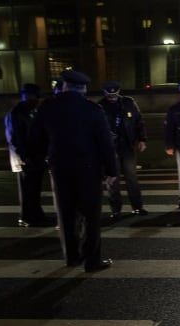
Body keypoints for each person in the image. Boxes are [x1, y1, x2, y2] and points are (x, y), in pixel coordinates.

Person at [29, 69, 117, 272]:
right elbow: (105, 143)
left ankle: (71, 256)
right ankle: (92, 260)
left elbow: (36, 139)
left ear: (65, 86)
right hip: (89, 169)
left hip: (60, 169)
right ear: (83, 88)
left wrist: (39, 161)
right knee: (91, 216)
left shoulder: (48, 107)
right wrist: (111, 171)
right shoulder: (92, 109)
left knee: (66, 214)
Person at [98, 81, 148, 218]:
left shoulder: (128, 103)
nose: (113, 98)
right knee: (112, 180)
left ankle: (137, 207)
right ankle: (116, 210)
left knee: (132, 178)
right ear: (105, 94)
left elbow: (139, 121)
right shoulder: (99, 107)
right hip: (110, 148)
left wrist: (142, 139)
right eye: (110, 96)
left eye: (115, 95)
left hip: (127, 145)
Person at [4, 83, 50, 227]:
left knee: (34, 189)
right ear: (29, 97)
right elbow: (14, 138)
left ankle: (36, 215)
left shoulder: (30, 112)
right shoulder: (16, 113)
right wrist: (24, 157)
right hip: (25, 158)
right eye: (36, 98)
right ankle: (26, 217)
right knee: (27, 190)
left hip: (34, 157)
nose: (38, 101)